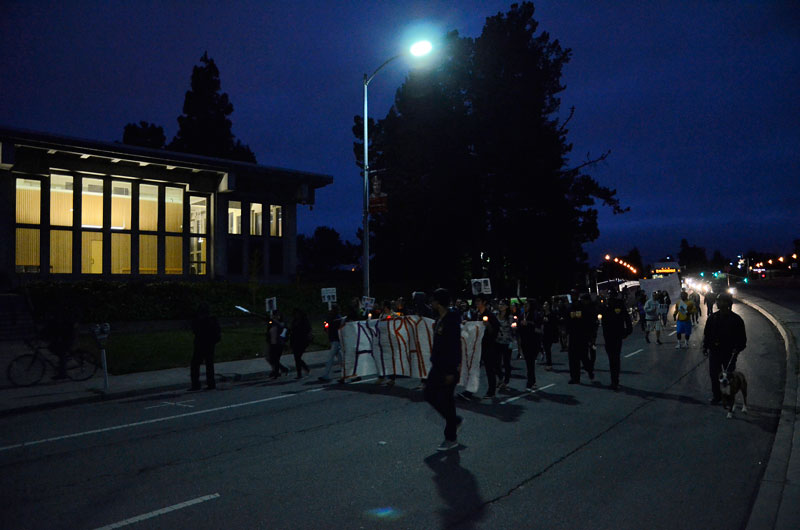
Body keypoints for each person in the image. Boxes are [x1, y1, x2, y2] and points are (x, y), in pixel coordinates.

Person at [424, 288, 463, 451]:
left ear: (438, 302)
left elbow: (455, 346)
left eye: (433, 300)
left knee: (447, 400)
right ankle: (454, 421)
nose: (431, 304)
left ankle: (451, 437)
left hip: (447, 367)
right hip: (438, 365)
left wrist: (451, 370)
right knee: (429, 394)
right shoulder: (441, 318)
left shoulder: (451, 320)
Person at [703, 292, 746, 404]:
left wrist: (738, 349)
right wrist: (705, 347)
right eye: (718, 300)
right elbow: (707, 334)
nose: (718, 303)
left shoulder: (736, 320)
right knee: (714, 375)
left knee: (729, 377)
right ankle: (716, 396)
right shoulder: (712, 318)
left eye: (721, 301)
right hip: (715, 352)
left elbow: (742, 339)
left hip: (729, 353)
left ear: (728, 303)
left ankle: (729, 396)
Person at [600, 291, 632, 391]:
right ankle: (614, 380)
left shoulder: (619, 304)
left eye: (611, 295)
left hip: (617, 334)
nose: (610, 297)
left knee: (615, 358)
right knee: (611, 358)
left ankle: (615, 381)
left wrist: (627, 331)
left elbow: (626, 317)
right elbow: (602, 319)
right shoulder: (605, 305)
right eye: (609, 296)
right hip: (608, 335)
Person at [189, 303, 221, 391]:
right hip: (209, 344)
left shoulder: (199, 320)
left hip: (201, 343)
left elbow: (195, 330)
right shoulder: (212, 319)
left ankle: (196, 384)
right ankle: (211, 384)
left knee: (195, 364)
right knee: (209, 364)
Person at [566, 293, 595, 384]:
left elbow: (588, 322)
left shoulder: (584, 308)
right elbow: (568, 321)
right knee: (573, 358)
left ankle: (589, 370)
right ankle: (575, 378)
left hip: (582, 336)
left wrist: (590, 337)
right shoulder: (571, 307)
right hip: (573, 336)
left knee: (583, 357)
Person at [475, 294, 500, 399]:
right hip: (477, 345)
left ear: (484, 302)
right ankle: (470, 389)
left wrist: (488, 325)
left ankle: (491, 390)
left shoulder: (490, 315)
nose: (477, 303)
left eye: (479, 301)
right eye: (476, 301)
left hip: (488, 346)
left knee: (489, 369)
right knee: (474, 367)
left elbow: (495, 331)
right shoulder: (476, 314)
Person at [518, 299, 543, 391]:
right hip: (525, 341)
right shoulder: (522, 315)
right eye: (524, 305)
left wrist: (528, 323)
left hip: (533, 341)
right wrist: (519, 324)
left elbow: (538, 327)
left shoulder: (535, 314)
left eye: (526, 305)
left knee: (530, 362)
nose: (524, 307)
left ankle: (530, 383)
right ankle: (533, 381)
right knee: (529, 362)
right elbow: (518, 326)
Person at [318, 305, 344, 382]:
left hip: (336, 339)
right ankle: (346, 371)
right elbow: (327, 325)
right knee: (339, 357)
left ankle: (326, 374)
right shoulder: (333, 317)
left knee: (330, 357)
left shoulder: (337, 318)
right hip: (334, 338)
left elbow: (332, 326)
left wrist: (327, 325)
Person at [496, 300, 514, 390]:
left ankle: (506, 381)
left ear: (507, 306)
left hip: (507, 342)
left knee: (506, 362)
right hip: (497, 341)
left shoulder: (510, 317)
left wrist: (514, 326)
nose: (500, 306)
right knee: (497, 362)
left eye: (503, 304)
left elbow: (513, 327)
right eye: (500, 304)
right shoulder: (496, 315)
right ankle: (500, 378)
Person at [289, 308, 312, 378]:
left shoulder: (304, 321)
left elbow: (308, 330)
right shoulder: (294, 321)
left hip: (302, 340)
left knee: (298, 357)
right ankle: (301, 371)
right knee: (297, 357)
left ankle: (302, 371)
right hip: (295, 341)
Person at [267, 311, 289, 379]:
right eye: (274, 315)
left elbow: (284, 332)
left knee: (275, 359)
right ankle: (283, 369)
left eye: (277, 315)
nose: (275, 317)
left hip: (279, 344)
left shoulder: (282, 324)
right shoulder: (272, 324)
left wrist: (283, 341)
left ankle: (276, 373)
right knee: (272, 359)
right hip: (272, 343)